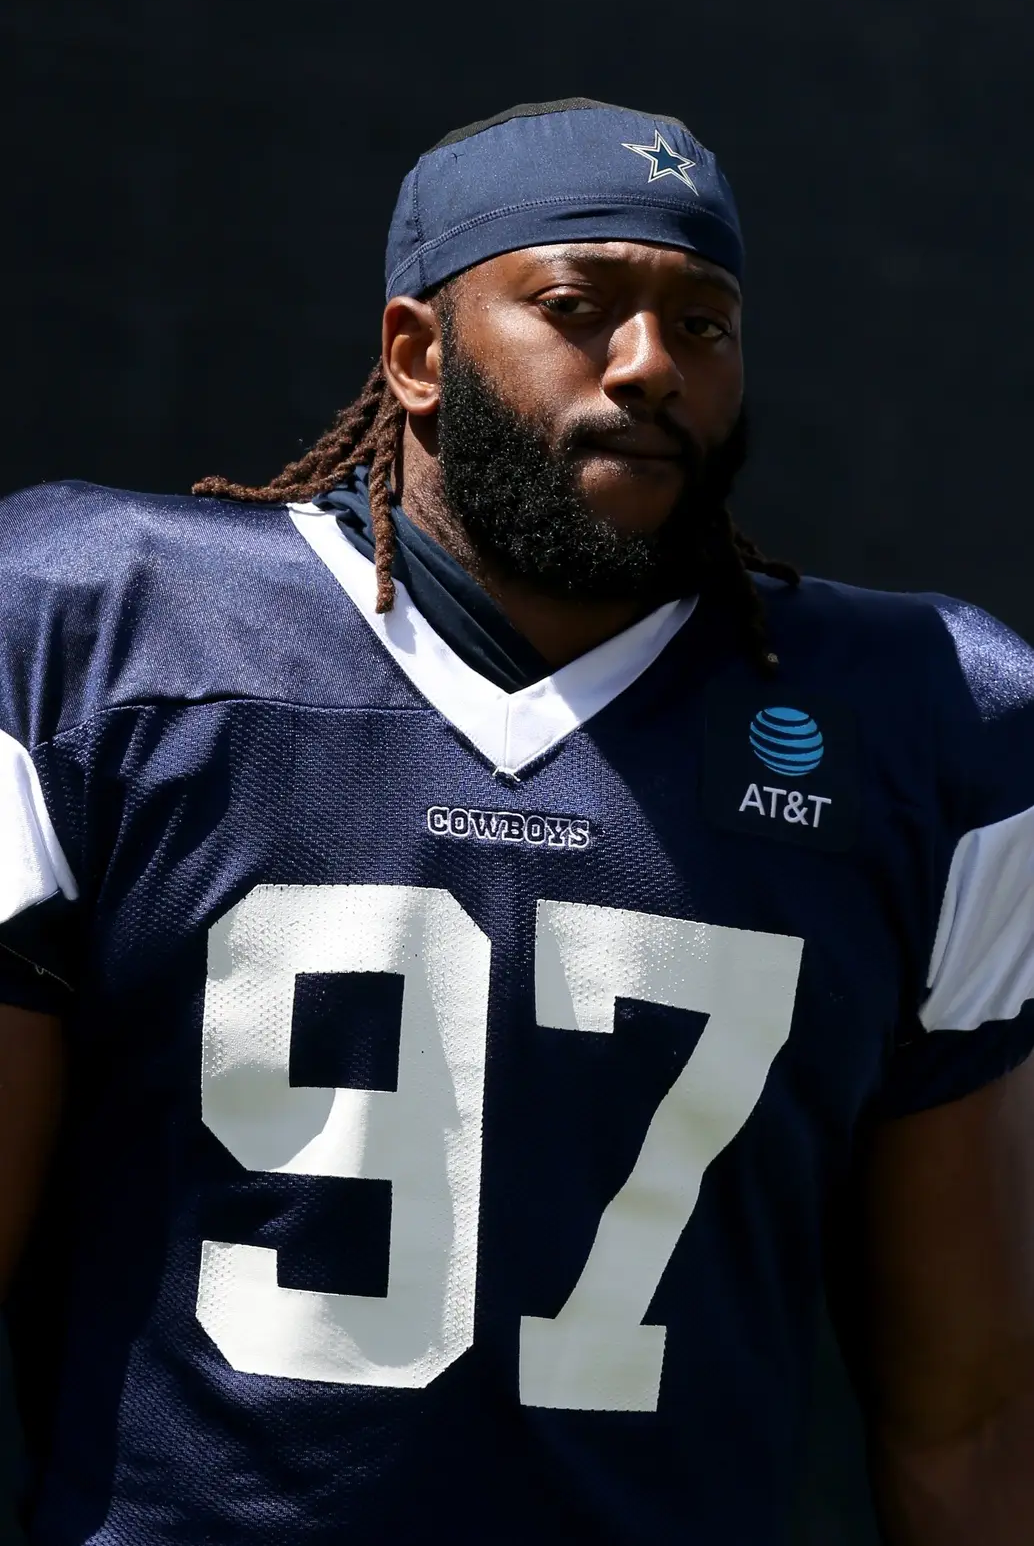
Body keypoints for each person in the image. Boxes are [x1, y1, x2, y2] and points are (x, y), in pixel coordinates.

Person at [2, 97, 1034, 1546]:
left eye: (703, 322)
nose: (649, 366)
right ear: (417, 354)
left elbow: (969, 1410)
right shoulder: (97, 635)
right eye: (579, 307)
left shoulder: (933, 718)